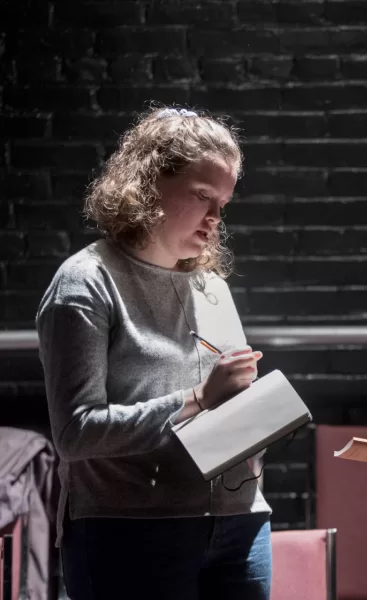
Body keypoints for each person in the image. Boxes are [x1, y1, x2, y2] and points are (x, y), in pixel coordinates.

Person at [36, 107, 272, 600]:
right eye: (203, 196)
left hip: (240, 525)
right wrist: (200, 397)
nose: (215, 219)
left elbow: (225, 412)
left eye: (223, 203)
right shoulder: (85, 282)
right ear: (147, 185)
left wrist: (260, 417)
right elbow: (76, 434)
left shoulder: (211, 286)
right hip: (131, 528)